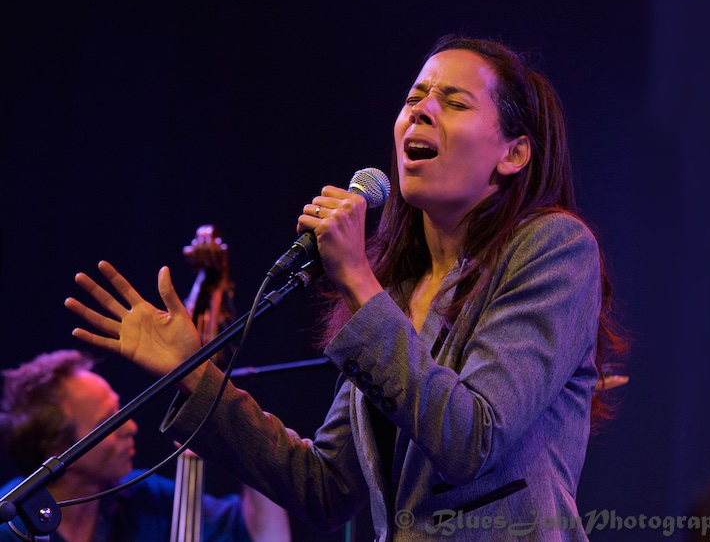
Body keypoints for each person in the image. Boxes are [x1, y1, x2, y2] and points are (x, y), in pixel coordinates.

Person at [65, 35, 627, 540]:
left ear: (513, 153)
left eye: (454, 103)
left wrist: (358, 279)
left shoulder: (553, 248)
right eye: (414, 98)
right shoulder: (399, 290)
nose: (422, 111)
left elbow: (471, 441)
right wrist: (196, 372)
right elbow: (325, 488)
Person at [0, 349, 291, 542]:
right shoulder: (8, 523)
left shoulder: (143, 497)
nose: (131, 427)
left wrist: (247, 438)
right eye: (109, 421)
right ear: (59, 451)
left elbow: (264, 535)